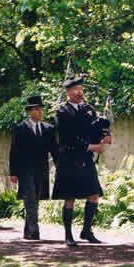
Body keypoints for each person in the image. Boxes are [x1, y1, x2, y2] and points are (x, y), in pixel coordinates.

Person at [52, 75, 110, 247]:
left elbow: (95, 128)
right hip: (69, 158)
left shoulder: (88, 110)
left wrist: (105, 135)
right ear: (68, 92)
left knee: (94, 195)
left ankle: (86, 231)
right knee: (70, 197)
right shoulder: (61, 113)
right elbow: (67, 137)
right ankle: (68, 235)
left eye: (81, 89)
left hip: (85, 159)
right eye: (76, 90)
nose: (80, 92)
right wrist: (90, 147)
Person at [9, 95, 58, 240]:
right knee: (30, 200)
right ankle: (34, 233)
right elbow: (14, 151)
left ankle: (27, 231)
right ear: (30, 111)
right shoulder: (20, 128)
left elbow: (55, 150)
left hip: (41, 170)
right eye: (36, 110)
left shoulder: (49, 129)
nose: (40, 112)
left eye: (41, 109)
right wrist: (13, 172)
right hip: (25, 170)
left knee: (35, 201)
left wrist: (60, 167)